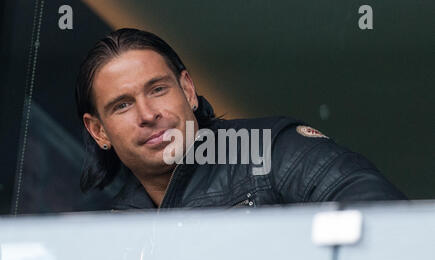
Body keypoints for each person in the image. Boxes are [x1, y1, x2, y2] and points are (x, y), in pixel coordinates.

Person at [75, 28, 407, 210]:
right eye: (122, 105)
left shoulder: (272, 151)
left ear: (188, 90)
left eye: (158, 89)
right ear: (98, 131)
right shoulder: (112, 232)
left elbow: (385, 223)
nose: (148, 114)